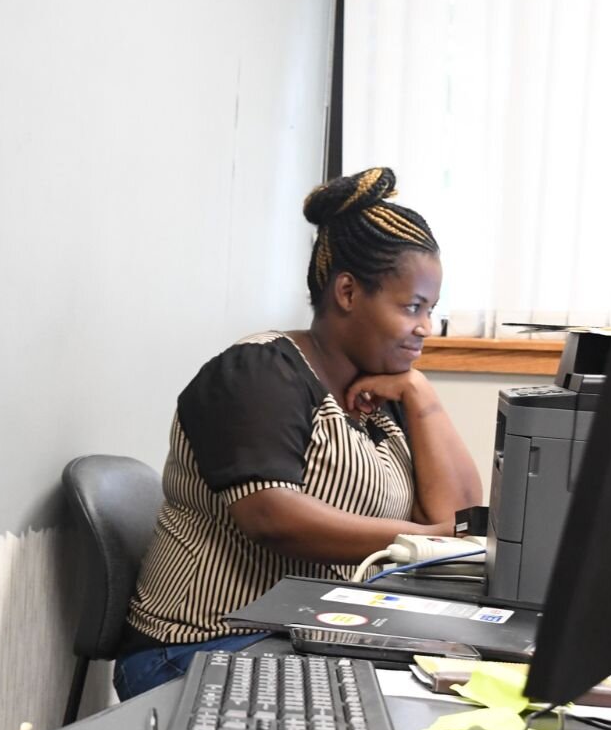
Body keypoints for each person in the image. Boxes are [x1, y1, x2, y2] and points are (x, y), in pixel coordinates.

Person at [114, 167, 482, 699]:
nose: (425, 327)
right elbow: (271, 516)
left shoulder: (382, 393)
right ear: (349, 292)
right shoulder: (258, 373)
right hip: (201, 648)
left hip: (308, 643)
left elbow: (462, 519)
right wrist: (423, 540)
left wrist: (420, 392)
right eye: (411, 307)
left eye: (430, 310)